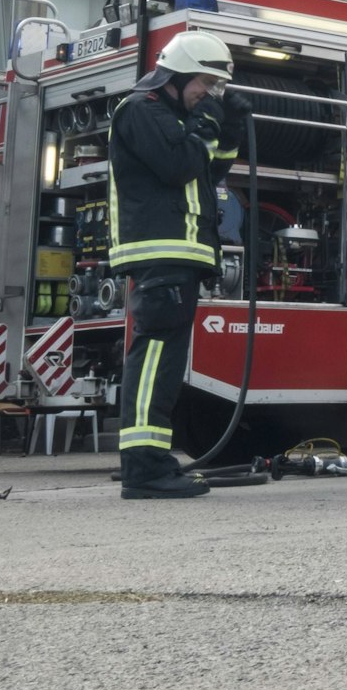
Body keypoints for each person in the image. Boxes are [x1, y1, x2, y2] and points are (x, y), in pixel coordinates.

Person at [108, 29, 251, 499]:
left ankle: (153, 462)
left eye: (217, 87)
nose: (210, 94)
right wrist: (208, 122)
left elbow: (210, 172)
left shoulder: (180, 119)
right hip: (159, 252)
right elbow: (177, 166)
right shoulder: (141, 109)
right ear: (179, 74)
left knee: (165, 364)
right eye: (206, 84)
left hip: (180, 254)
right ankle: (144, 469)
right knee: (154, 359)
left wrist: (228, 130)